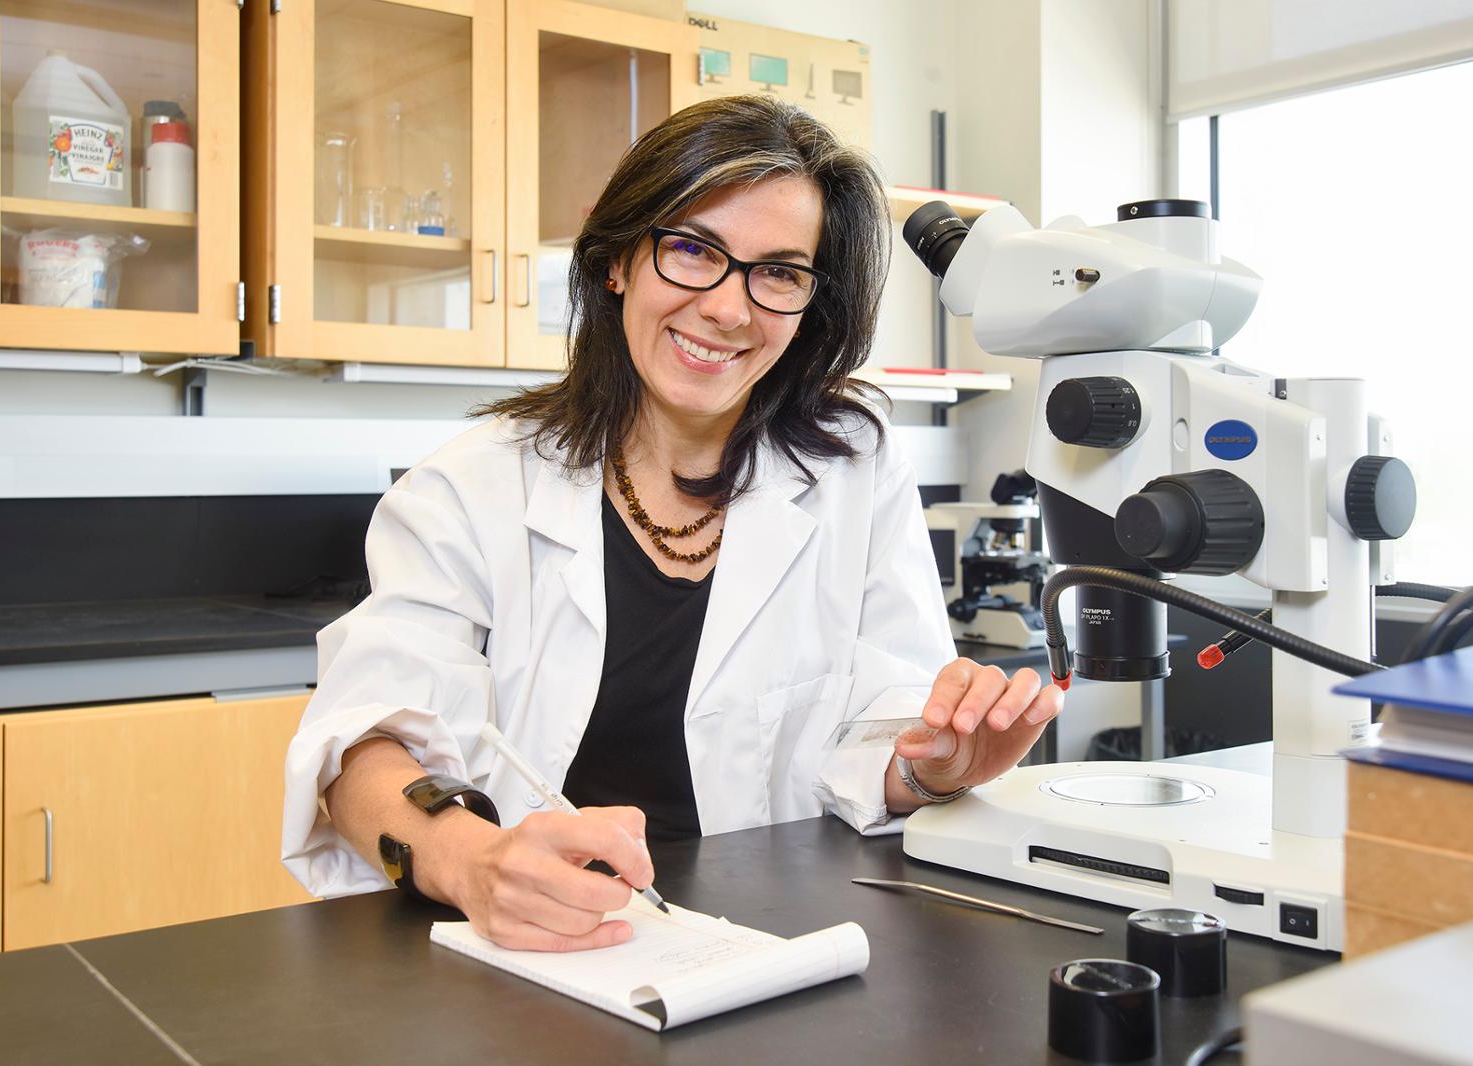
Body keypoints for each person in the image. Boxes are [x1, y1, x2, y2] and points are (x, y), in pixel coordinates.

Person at [281, 95, 1063, 952]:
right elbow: (363, 747)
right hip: (539, 951)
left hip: (776, 945)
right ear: (618, 260)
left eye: (779, 272)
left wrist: (926, 765)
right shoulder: (470, 488)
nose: (730, 308)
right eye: (692, 250)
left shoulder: (854, 468)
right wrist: (474, 861)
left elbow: (889, 715)